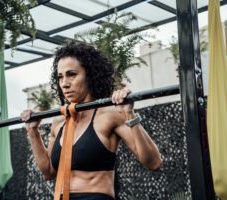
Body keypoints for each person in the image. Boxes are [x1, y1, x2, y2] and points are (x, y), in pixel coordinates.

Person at [21, 42, 163, 200]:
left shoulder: (109, 115)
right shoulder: (59, 121)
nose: (64, 84)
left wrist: (129, 114)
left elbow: (154, 162)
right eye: (60, 77)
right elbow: (48, 172)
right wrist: (32, 131)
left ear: (90, 75)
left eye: (71, 74)